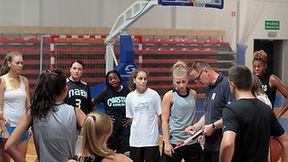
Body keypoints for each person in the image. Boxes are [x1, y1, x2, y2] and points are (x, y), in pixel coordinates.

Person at [4, 69, 86, 162]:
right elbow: (96, 140)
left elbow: (9, 146)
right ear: (65, 90)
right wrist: (77, 157)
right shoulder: (75, 112)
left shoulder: (33, 112)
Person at [220, 65, 288, 162]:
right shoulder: (267, 109)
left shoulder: (231, 110)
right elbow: (285, 141)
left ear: (232, 85)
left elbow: (228, 143)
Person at [185, 61, 234, 162]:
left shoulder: (227, 85)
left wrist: (213, 126)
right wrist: (196, 127)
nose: (198, 83)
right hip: (209, 145)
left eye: (197, 79)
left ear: (206, 71)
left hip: (222, 145)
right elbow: (208, 114)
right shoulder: (208, 88)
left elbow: (232, 116)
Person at [161, 61, 203, 162]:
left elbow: (193, 116)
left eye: (183, 82)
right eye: (178, 82)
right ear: (173, 81)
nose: (181, 85)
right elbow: (164, 121)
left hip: (191, 140)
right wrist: (166, 142)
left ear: (188, 80)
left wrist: (198, 133)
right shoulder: (169, 96)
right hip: (174, 141)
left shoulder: (193, 94)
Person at [126, 69, 162, 162]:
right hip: (136, 140)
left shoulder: (154, 95)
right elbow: (130, 117)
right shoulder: (130, 97)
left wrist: (154, 133)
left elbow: (160, 116)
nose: (143, 81)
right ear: (134, 80)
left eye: (145, 79)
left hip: (151, 141)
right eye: (140, 78)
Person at [0, 51, 30, 162]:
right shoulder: (2, 80)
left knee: (21, 160)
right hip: (8, 126)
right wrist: (3, 129)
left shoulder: (25, 80)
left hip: (22, 127)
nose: (20, 65)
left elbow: (28, 106)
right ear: (9, 63)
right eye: (17, 63)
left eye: (22, 63)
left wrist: (29, 126)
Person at [92, 70, 131, 155]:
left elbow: (135, 104)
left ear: (119, 79)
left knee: (125, 155)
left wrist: (132, 118)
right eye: (110, 79)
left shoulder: (127, 91)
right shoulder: (106, 92)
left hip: (125, 129)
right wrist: (103, 116)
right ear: (108, 81)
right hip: (111, 130)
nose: (113, 80)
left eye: (115, 78)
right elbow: (92, 104)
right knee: (110, 155)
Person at [252, 50, 288, 117]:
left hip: (266, 117)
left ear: (265, 66)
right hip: (253, 117)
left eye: (259, 66)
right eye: (254, 66)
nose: (256, 69)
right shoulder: (250, 79)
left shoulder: (272, 79)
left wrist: (277, 116)